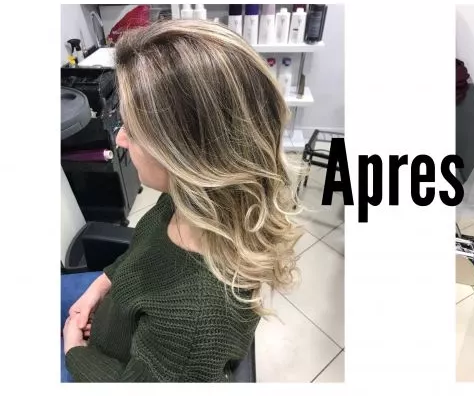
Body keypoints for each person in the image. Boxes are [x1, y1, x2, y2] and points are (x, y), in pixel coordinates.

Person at [61, 21, 302, 381]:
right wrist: (100, 287)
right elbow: (142, 256)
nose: (121, 139)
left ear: (186, 157)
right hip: (110, 322)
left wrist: (73, 352)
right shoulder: (187, 203)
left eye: (132, 130)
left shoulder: (191, 326)